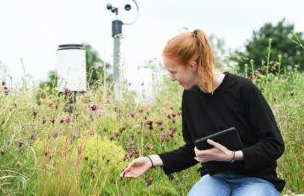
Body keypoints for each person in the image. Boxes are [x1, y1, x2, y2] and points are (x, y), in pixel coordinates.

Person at [120, 29, 285, 196]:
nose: (171, 78)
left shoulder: (243, 89)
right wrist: (151, 160)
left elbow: (274, 144)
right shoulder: (190, 96)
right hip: (216, 179)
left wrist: (232, 155)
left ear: (192, 65)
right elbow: (193, 149)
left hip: (257, 179)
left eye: (173, 71)